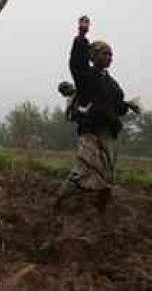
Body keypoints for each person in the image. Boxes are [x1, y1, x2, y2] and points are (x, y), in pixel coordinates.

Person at [54, 15, 139, 213]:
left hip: (108, 133)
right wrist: (82, 35)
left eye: (110, 55)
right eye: (104, 54)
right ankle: (61, 201)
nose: (109, 57)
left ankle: (100, 210)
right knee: (83, 169)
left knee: (107, 174)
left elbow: (116, 105)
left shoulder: (112, 83)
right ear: (93, 56)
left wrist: (127, 106)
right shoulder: (86, 76)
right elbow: (77, 63)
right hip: (90, 132)